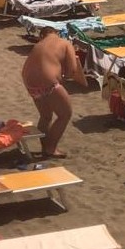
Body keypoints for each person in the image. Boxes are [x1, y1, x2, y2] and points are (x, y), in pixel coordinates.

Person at [21, 27, 87, 158]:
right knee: (65, 114)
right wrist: (63, 76)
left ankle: (45, 147)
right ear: (56, 33)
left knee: (45, 116)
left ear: (42, 36)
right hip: (47, 80)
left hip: (29, 81)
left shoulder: (39, 44)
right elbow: (72, 70)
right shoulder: (64, 43)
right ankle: (50, 149)